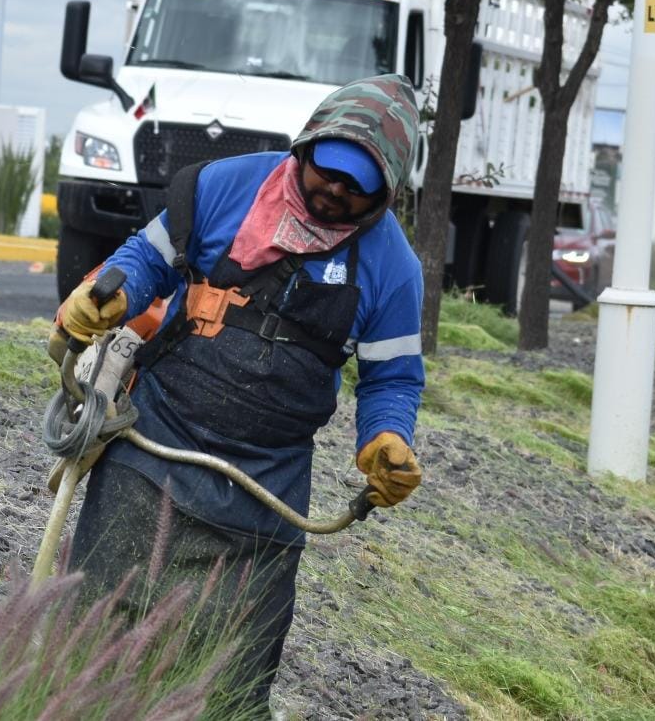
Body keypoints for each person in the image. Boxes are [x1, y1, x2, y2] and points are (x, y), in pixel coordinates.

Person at [51, 74, 426, 715]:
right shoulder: (225, 188)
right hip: (154, 441)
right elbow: (147, 259)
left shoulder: (393, 269)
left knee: (231, 670)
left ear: (385, 194)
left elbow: (392, 378)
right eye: (325, 171)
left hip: (268, 485)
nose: (333, 190)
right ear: (304, 148)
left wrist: (385, 437)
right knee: (97, 627)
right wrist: (105, 292)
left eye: (354, 185)